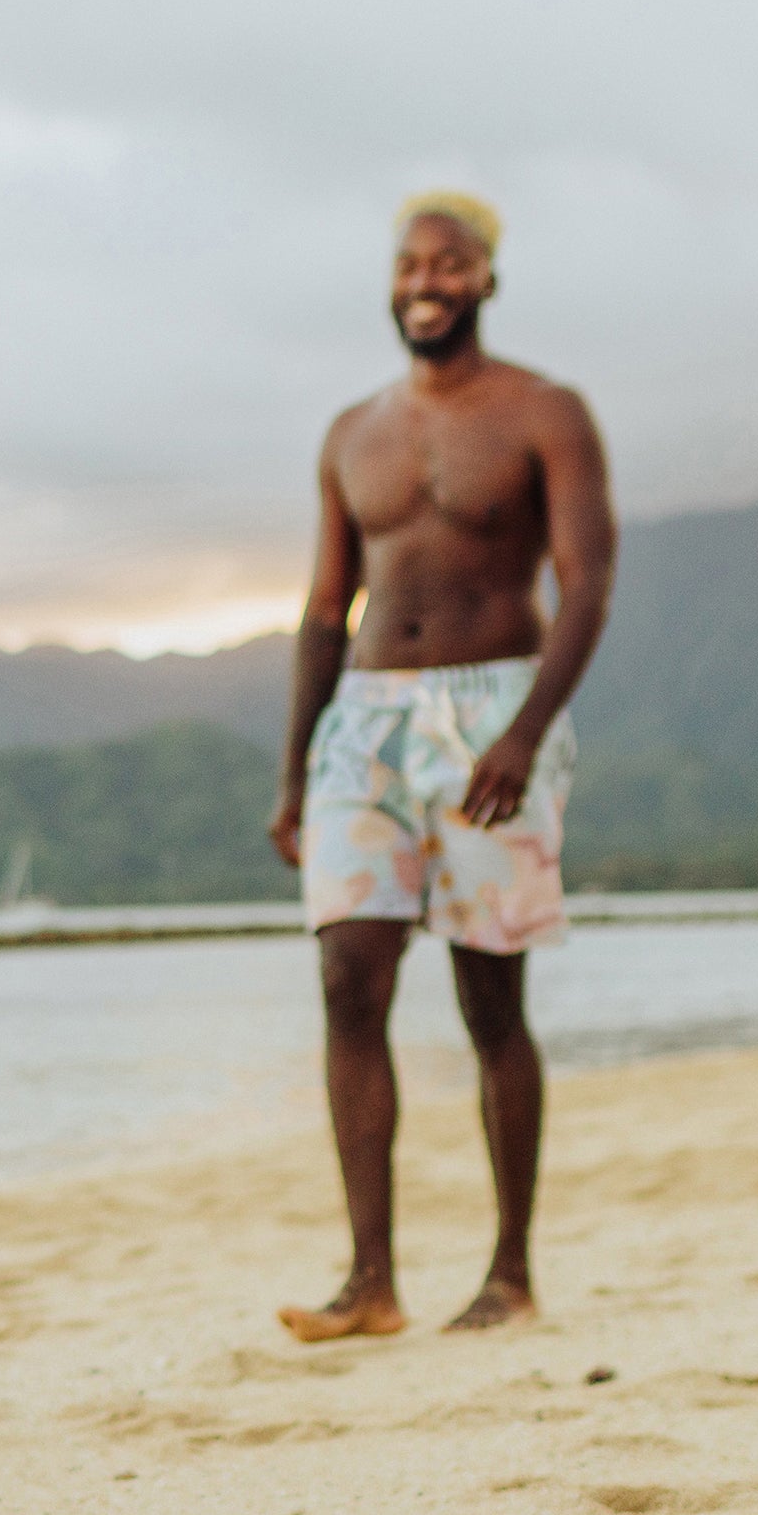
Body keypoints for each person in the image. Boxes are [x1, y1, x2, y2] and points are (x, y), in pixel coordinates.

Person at [265, 191, 616, 1341]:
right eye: (412, 262)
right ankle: (371, 1284)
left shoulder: (543, 411)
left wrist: (524, 735)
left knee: (487, 996)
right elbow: (326, 607)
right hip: (362, 721)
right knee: (346, 984)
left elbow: (588, 586)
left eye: (451, 263)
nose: (428, 280)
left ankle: (509, 1275)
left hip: (492, 709)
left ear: (486, 280)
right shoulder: (350, 431)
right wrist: (295, 770)